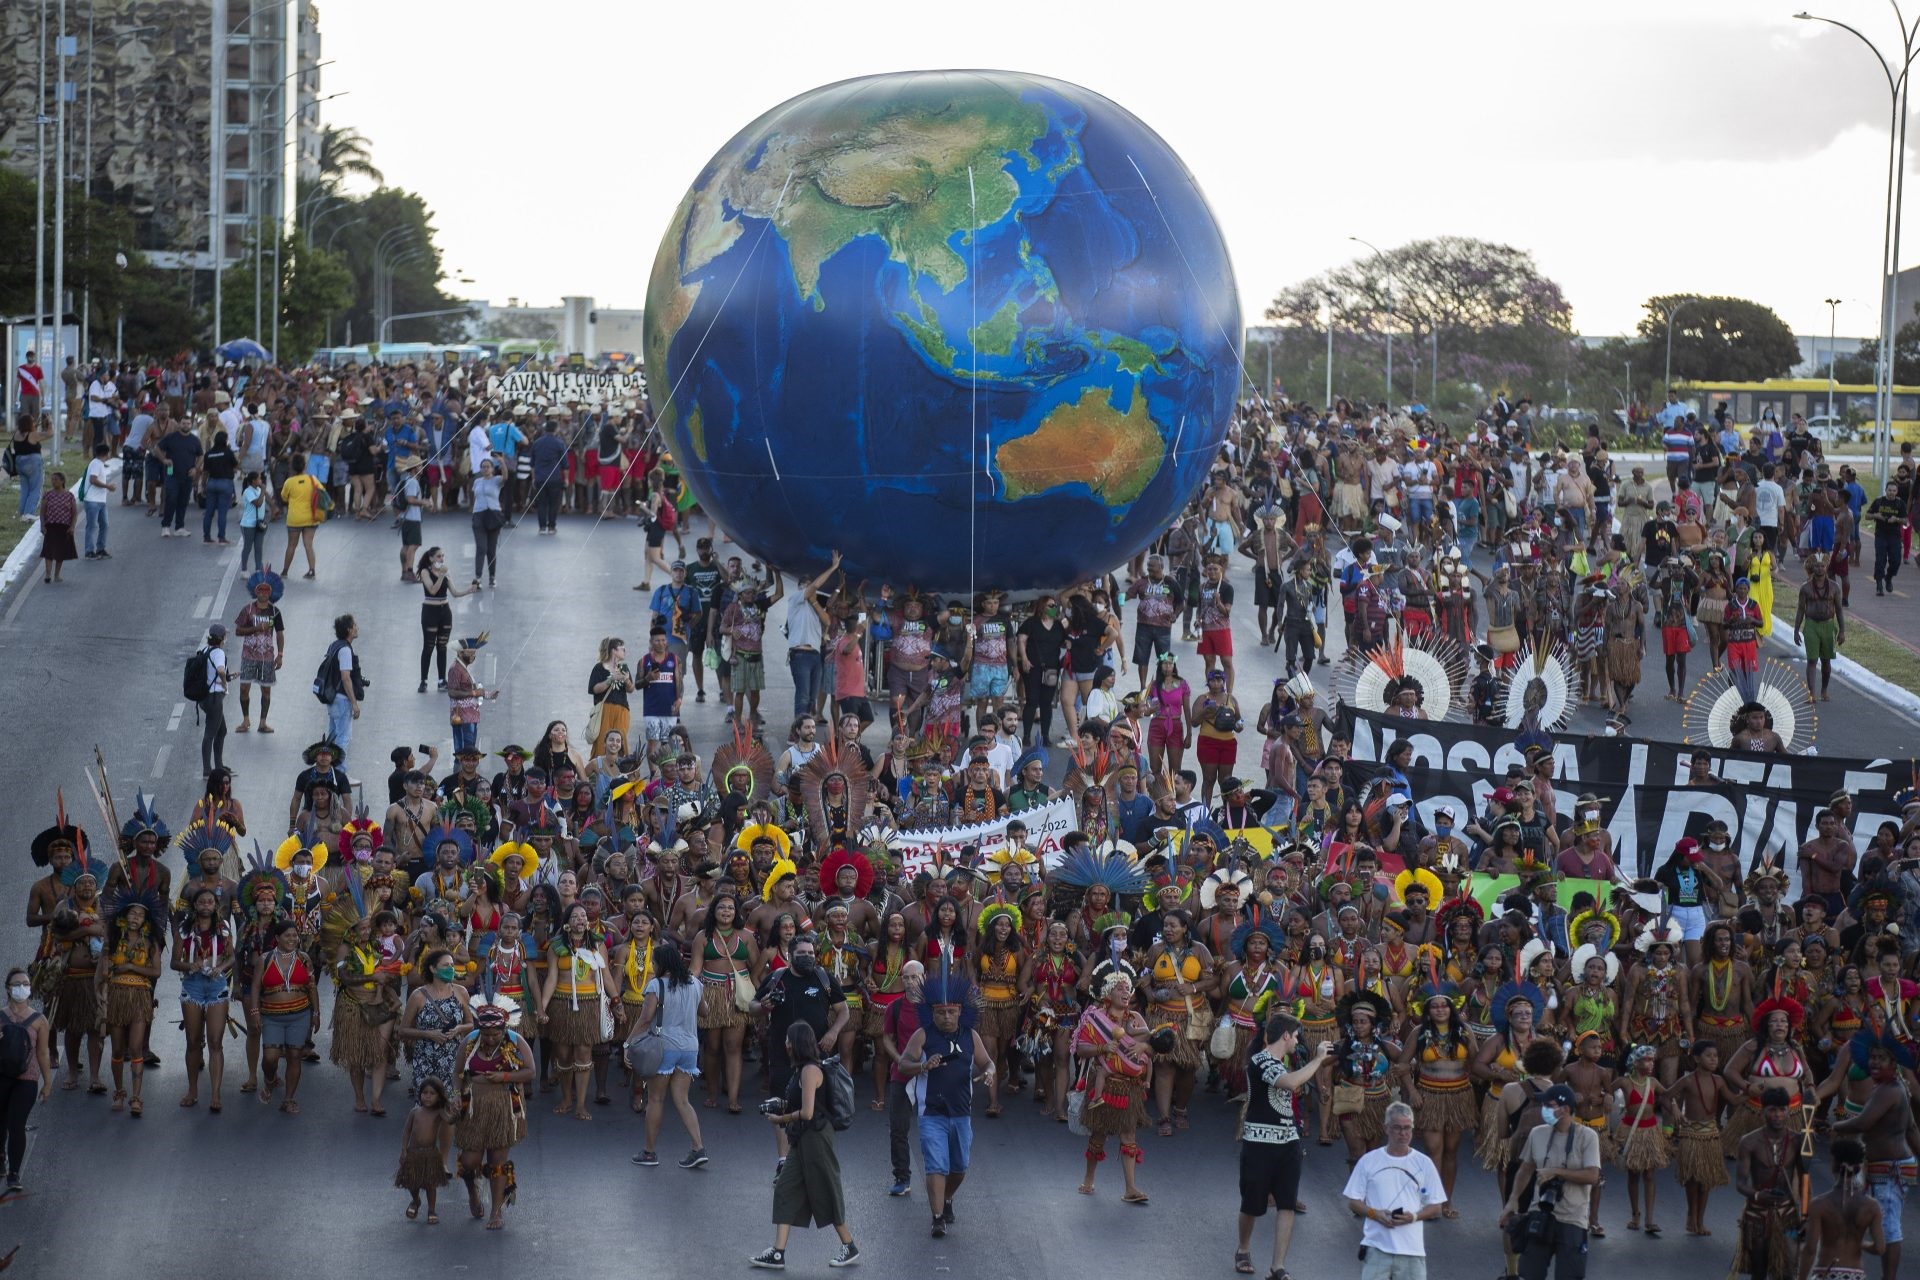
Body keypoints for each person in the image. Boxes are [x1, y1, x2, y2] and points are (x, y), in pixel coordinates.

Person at [751, 1021, 861, 1270]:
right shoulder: (800, 1070)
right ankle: (778, 1252)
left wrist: (781, 1119)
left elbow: (809, 1112)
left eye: (789, 1039)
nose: (785, 1044)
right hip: (802, 1139)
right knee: (785, 1188)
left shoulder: (810, 1070)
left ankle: (849, 1245)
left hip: (816, 1138)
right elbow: (798, 1102)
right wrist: (780, 1104)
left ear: (797, 1043)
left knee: (826, 1190)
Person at [1236, 1011, 1335, 1280]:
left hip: (1288, 1143)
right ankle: (1243, 1248)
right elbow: (1290, 1083)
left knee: (1287, 1204)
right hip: (1259, 1144)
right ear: (1286, 1035)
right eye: (1296, 1037)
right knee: (1251, 1205)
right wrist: (1317, 1059)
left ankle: (1277, 1266)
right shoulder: (1260, 1061)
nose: (1297, 1043)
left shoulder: (1282, 1062)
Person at [896, 974, 994, 1237]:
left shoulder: (970, 1035)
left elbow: (987, 1062)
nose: (947, 1017)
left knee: (959, 1168)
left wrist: (989, 1072)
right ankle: (937, 1217)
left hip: (961, 1113)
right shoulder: (923, 1035)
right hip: (932, 1113)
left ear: (961, 1011)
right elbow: (903, 1064)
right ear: (932, 1012)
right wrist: (922, 1066)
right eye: (941, 1012)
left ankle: (947, 1198)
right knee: (936, 1166)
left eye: (952, 1012)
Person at [1500, 1081, 1602, 1280]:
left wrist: (1556, 1172)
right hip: (1541, 1214)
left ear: (1564, 1110)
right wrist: (1513, 1199)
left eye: (1548, 1105)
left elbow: (1593, 1175)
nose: (1543, 1109)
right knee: (1528, 1274)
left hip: (1572, 1219)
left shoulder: (1587, 1137)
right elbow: (1525, 1169)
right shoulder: (1537, 1133)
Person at [453, 1001, 535, 1230]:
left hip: (503, 1108)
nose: (490, 1038)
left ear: (503, 1028)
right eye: (486, 1033)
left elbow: (531, 1071)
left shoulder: (516, 1040)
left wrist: (504, 1078)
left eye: (495, 1033)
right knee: (470, 1161)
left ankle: (496, 1212)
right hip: (473, 1107)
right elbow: (458, 1073)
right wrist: (454, 1095)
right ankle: (473, 1193)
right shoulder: (470, 1041)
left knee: (497, 1161)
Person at [1342, 1101, 1448, 1280]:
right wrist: (1375, 1213)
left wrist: (1413, 1217)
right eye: (1397, 1128)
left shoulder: (1424, 1163)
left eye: (1408, 1128)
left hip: (1412, 1251)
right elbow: (1353, 1202)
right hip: (1376, 1248)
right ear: (1386, 1128)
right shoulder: (1369, 1161)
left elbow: (1436, 1207)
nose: (1403, 1133)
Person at [630, 939, 709, 1170]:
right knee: (683, 1100)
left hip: (664, 1047)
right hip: (690, 1048)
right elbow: (704, 1012)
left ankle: (649, 1152)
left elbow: (646, 1019)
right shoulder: (695, 983)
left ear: (661, 964)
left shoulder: (656, 986)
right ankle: (698, 1147)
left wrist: (629, 1043)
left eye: (654, 962)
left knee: (655, 1100)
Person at [248, 918, 317, 1114]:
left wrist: (317, 1013)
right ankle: (270, 1080)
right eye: (287, 935)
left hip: (300, 1014)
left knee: (295, 1056)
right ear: (277, 938)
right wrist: (254, 1011)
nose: (292, 939)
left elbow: (312, 987)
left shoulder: (304, 958)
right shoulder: (265, 959)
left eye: (295, 935)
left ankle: (288, 1099)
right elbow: (255, 986)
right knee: (270, 1058)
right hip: (272, 1016)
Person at [1798, 1137, 1885, 1280]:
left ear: (1834, 1165)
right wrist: (1861, 1244)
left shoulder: (1819, 1204)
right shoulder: (1871, 1206)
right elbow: (1880, 1248)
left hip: (1825, 1272)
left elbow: (1810, 1249)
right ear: (1858, 1167)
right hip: (1855, 1274)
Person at [0, 967, 52, 1193]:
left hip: (27, 1079)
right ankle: (1, 1158)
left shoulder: (39, 1020)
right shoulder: (0, 1016)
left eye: (25, 984)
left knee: (16, 1124)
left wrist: (47, 1082)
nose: (22, 988)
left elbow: (43, 1053)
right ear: (8, 989)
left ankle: (14, 1174)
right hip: (2, 1077)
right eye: (16, 984)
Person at [396, 1075, 453, 1224]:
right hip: (413, 1153)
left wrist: (455, 1110)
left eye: (432, 1094)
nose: (427, 1096)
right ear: (419, 1094)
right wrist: (404, 1150)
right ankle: (415, 1201)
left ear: (439, 1096)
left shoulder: (439, 1112)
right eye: (424, 1093)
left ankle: (431, 1210)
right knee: (411, 1182)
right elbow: (407, 1131)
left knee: (430, 1184)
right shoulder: (414, 1112)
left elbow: (450, 1120)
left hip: (430, 1154)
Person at [233, 571, 285, 734]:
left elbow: (280, 633)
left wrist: (280, 654)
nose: (263, 593)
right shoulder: (247, 610)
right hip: (248, 656)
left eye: (266, 590)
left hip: (267, 658)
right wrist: (255, 628)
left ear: (270, 593)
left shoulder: (275, 612)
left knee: (266, 689)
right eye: (260, 590)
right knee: (244, 689)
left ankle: (263, 722)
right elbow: (238, 631)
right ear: (256, 592)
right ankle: (246, 719)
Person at [279, 449, 325, 578]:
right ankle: (311, 570)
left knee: (291, 545)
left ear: (292, 467)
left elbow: (284, 497)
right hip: (311, 517)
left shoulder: (289, 482)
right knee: (308, 544)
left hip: (294, 518)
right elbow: (321, 492)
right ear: (305, 466)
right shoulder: (312, 479)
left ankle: (285, 571)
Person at [195, 622, 233, 778]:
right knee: (210, 733)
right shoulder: (218, 653)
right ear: (222, 638)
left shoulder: (204, 650)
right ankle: (207, 770)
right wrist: (224, 683)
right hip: (214, 698)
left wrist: (227, 677)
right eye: (225, 635)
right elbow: (220, 670)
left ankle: (219, 766)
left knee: (221, 730)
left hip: (204, 698)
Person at [324, 614, 363, 749]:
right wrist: (354, 703)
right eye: (355, 626)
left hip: (332, 698)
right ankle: (339, 769)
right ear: (349, 630)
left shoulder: (334, 646)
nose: (357, 628)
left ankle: (328, 768)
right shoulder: (345, 650)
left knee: (333, 736)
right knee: (343, 738)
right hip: (342, 700)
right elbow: (345, 678)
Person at [37, 470, 77, 583]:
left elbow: (74, 513)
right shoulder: (48, 495)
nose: (53, 482)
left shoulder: (69, 496)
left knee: (61, 552)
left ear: (62, 481)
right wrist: (42, 525)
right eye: (52, 479)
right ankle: (48, 574)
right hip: (51, 526)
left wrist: (72, 526)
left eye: (56, 479)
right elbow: (42, 512)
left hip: (64, 527)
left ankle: (57, 575)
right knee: (48, 552)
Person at [471, 457, 504, 587]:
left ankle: (492, 576)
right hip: (479, 514)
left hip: (493, 514)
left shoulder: (496, 480)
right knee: (481, 548)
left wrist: (502, 463)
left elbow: (505, 477)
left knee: (491, 550)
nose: (485, 469)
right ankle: (478, 577)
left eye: (488, 467)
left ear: (492, 469)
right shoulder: (477, 481)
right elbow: (475, 496)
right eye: (483, 467)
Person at [82, 442, 112, 559]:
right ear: (106, 453)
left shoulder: (99, 464)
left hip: (100, 500)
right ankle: (89, 551)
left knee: (104, 525)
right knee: (92, 526)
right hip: (92, 500)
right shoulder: (96, 464)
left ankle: (100, 548)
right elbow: (93, 480)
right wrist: (108, 486)